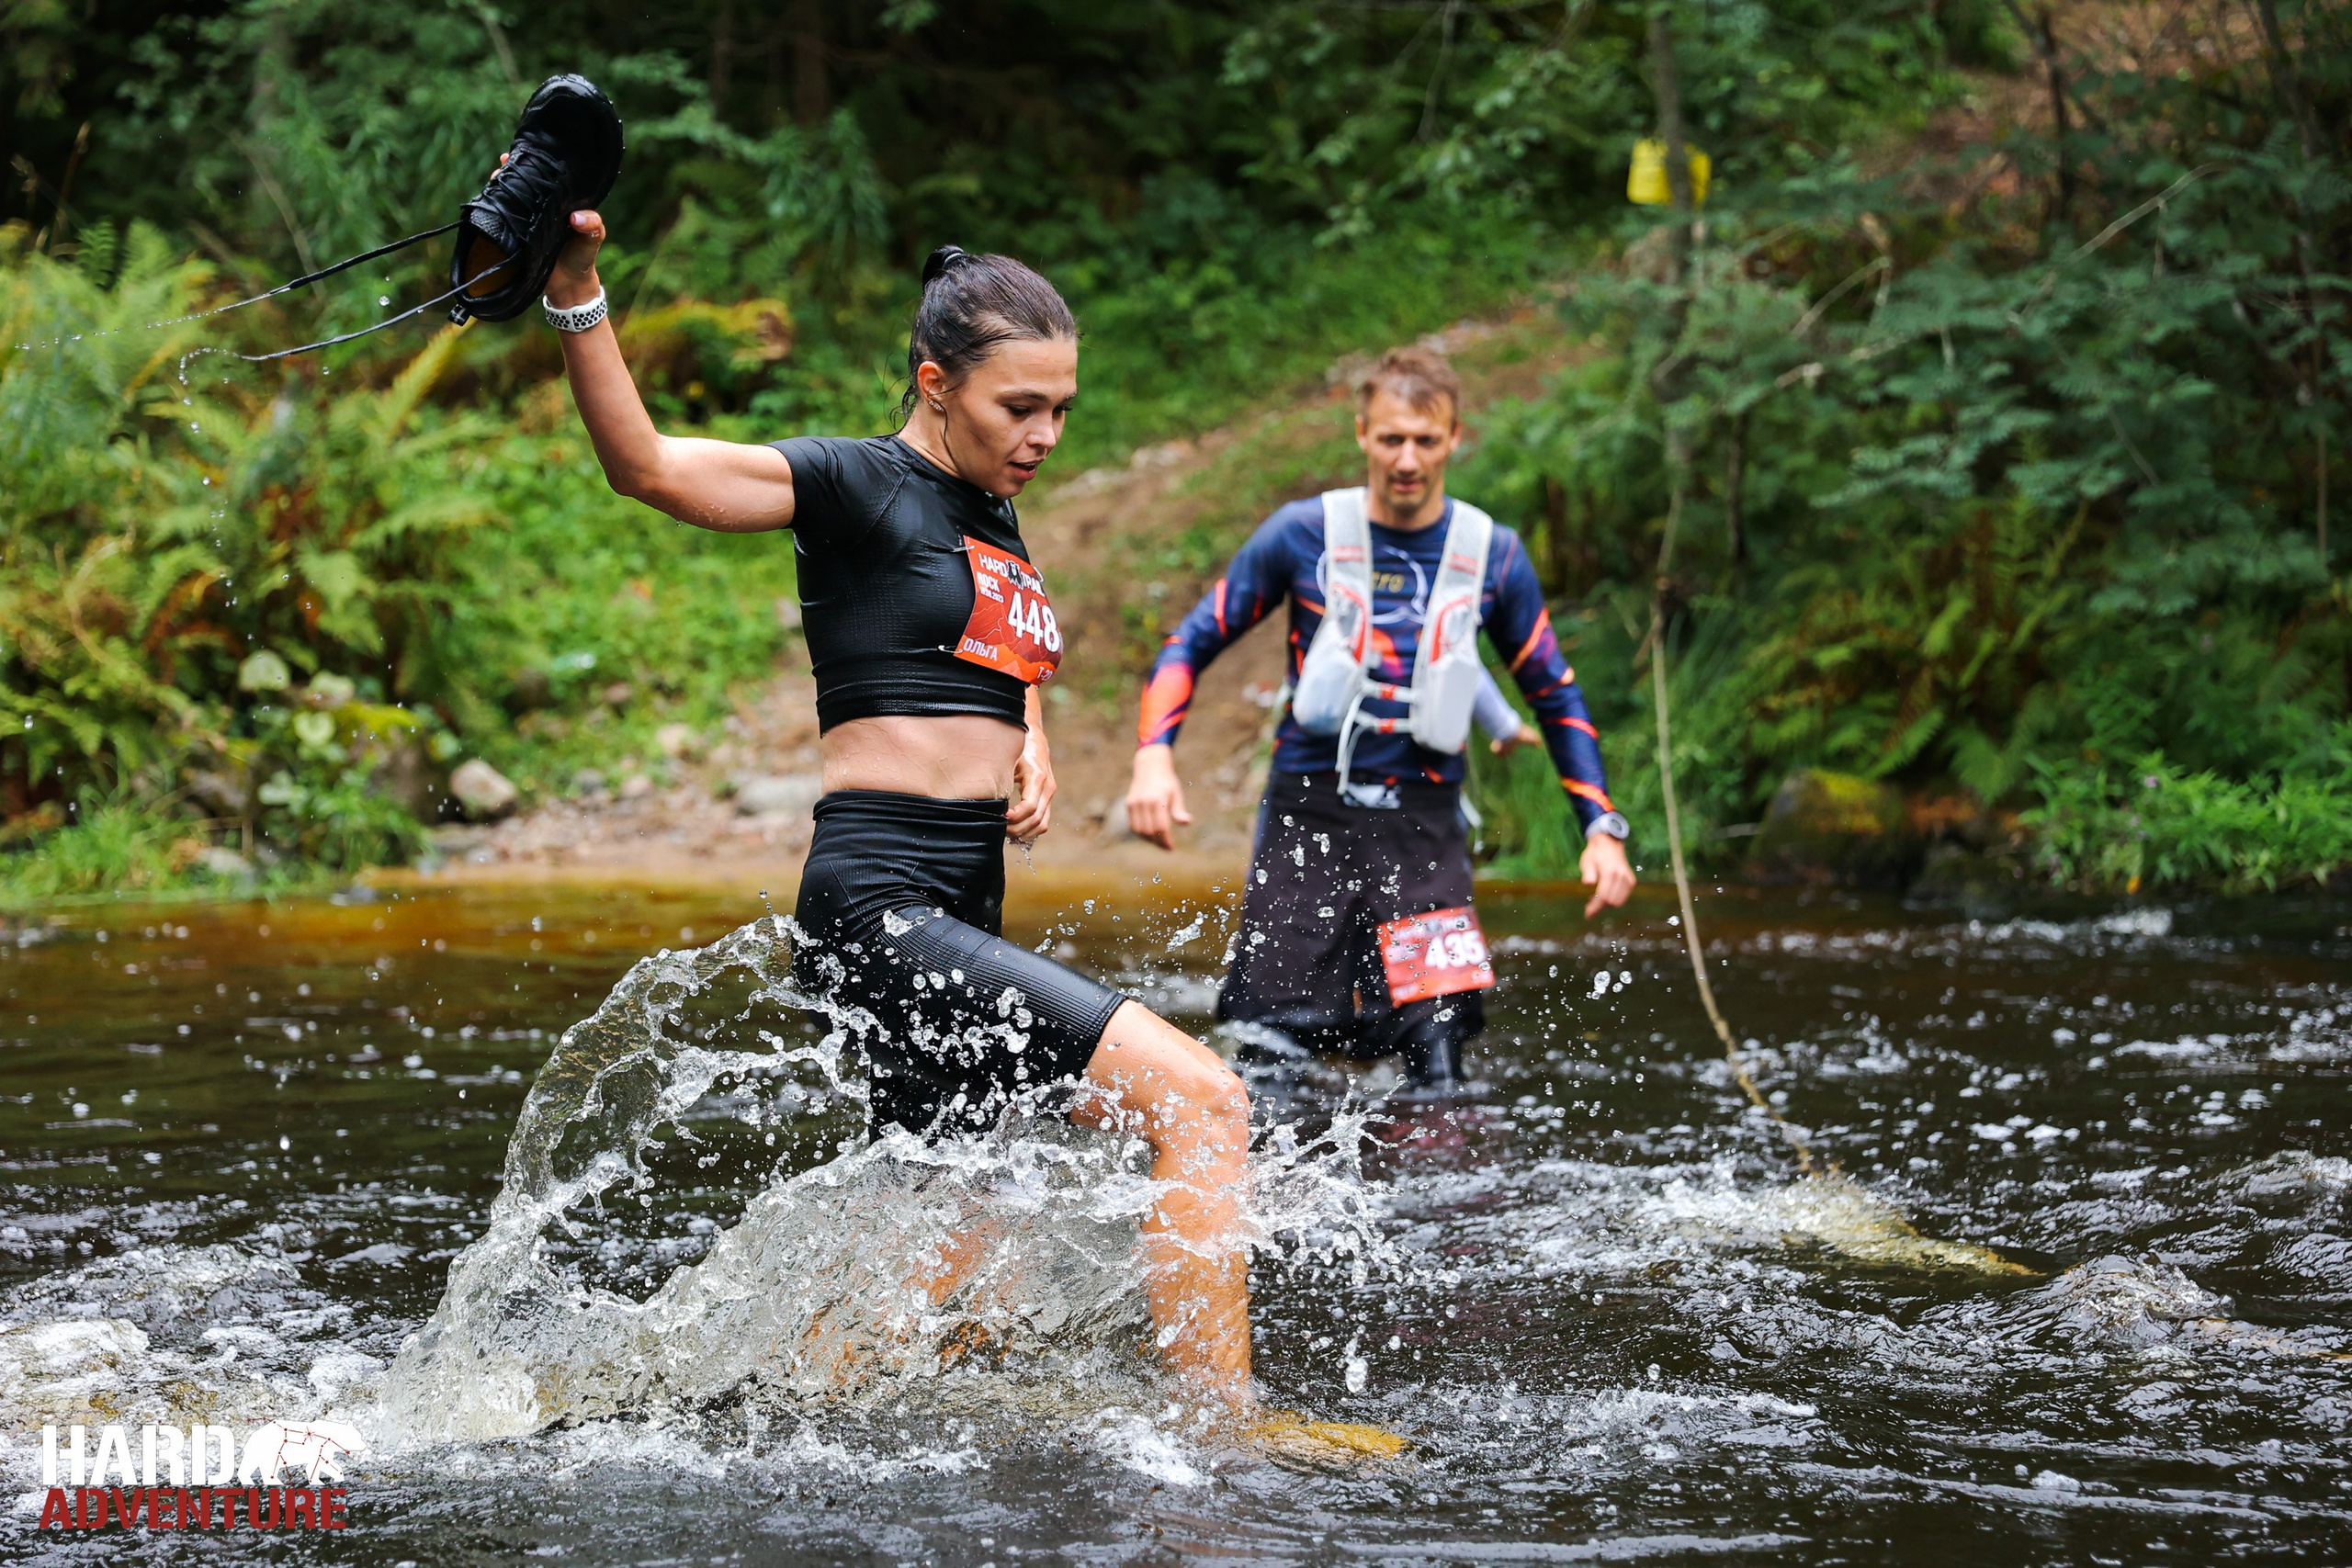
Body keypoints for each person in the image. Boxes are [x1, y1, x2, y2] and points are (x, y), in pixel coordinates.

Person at [535, 207, 1259, 1407]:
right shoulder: (856, 484)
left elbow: (989, 644)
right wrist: (576, 290)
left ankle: (755, 1417)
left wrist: (1027, 737)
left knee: (956, 1244)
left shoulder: (993, 509)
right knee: (1203, 1100)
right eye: (1019, 407)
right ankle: (1228, 1434)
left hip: (963, 896)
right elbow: (647, 466)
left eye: (1061, 409)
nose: (1045, 435)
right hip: (881, 903)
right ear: (935, 383)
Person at [1125, 345, 1636, 1089]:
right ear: (1362, 432)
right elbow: (1190, 642)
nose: (1407, 459)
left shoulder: (1493, 555)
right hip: (1307, 817)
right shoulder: (1300, 533)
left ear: (1454, 437)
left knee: (1439, 1059)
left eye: (1425, 440)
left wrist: (1601, 826)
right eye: (1391, 438)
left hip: (1426, 826)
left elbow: (1554, 693)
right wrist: (1153, 753)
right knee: (1269, 1055)